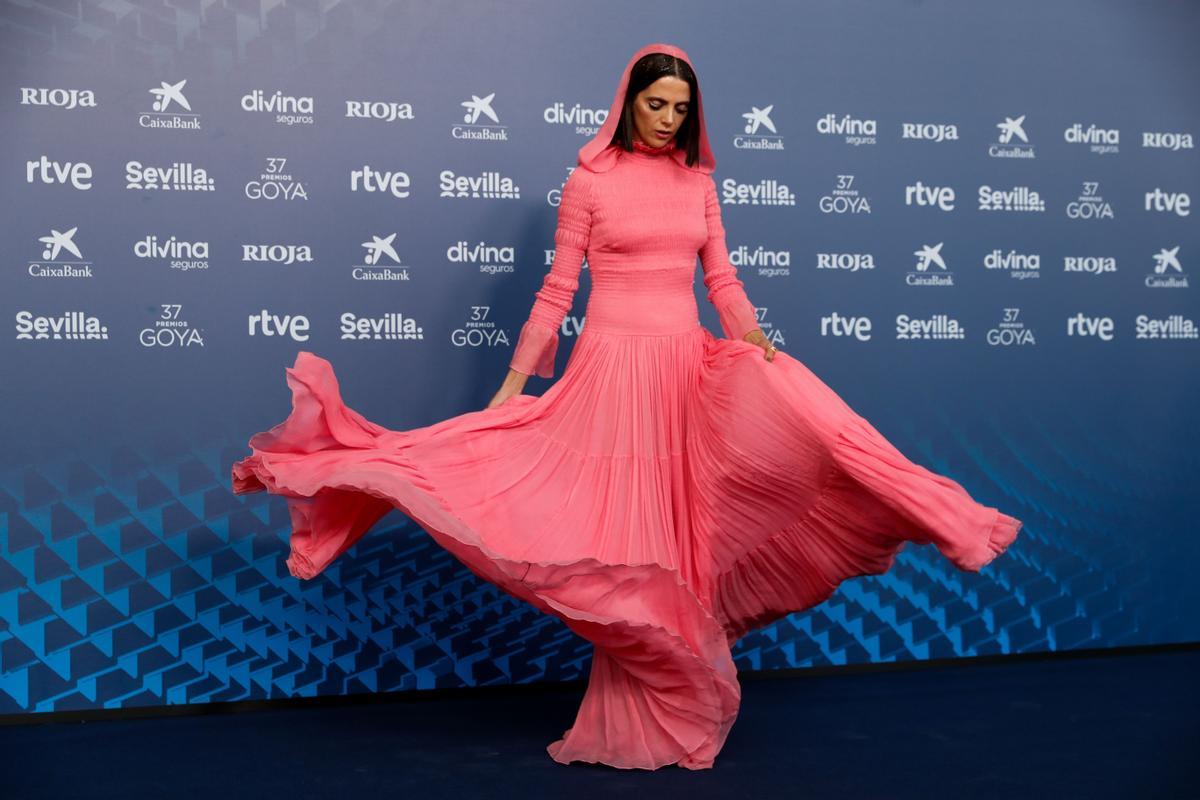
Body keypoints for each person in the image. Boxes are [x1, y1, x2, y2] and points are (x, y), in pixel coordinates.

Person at [231, 42, 1023, 771]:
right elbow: (556, 289)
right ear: (628, 103)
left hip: (683, 375)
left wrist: (754, 340)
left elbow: (722, 280)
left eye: (681, 108)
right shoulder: (589, 183)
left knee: (688, 529)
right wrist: (510, 393)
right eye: (657, 105)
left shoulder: (700, 186)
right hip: (610, 376)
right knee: (621, 539)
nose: (668, 119)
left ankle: (676, 704)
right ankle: (643, 706)